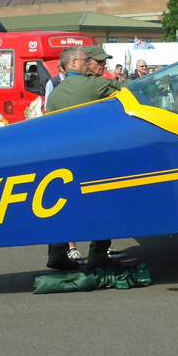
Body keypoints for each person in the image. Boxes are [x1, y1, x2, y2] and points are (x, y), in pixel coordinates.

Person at [44, 45, 127, 271]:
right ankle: (99, 253)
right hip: (91, 158)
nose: (87, 64)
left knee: (63, 207)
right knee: (102, 202)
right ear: (73, 63)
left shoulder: (55, 94)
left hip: (62, 159)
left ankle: (58, 253)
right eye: (84, 61)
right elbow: (127, 88)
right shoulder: (91, 84)